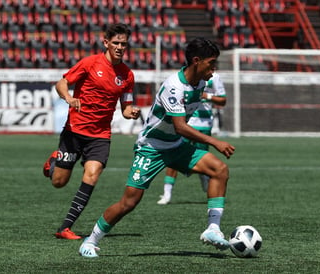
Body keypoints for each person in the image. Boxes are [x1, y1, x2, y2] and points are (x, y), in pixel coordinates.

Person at [79, 37, 235, 258]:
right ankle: (91, 240)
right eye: (211, 63)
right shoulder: (174, 86)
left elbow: (180, 130)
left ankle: (213, 229)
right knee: (129, 202)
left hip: (176, 145)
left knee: (219, 170)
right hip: (151, 147)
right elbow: (180, 126)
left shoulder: (200, 83)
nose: (214, 68)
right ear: (196, 61)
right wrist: (214, 141)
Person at [42, 23, 141, 240]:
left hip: (100, 135)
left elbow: (125, 108)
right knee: (59, 182)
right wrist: (68, 98)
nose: (120, 47)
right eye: (116, 43)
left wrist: (131, 112)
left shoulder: (127, 75)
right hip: (74, 131)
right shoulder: (89, 63)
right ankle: (55, 160)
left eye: (123, 44)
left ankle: (65, 227)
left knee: (92, 175)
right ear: (106, 43)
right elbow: (62, 83)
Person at [157, 72, 227, 205]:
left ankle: (204, 178)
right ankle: (167, 194)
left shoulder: (214, 77)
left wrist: (207, 96)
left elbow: (223, 100)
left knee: (203, 158)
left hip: (204, 123)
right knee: (174, 157)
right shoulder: (185, 77)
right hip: (186, 123)